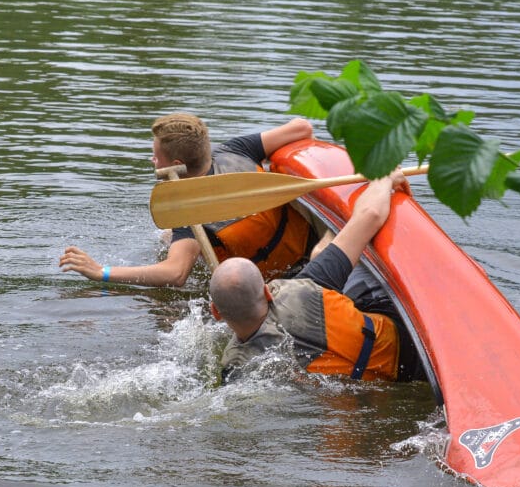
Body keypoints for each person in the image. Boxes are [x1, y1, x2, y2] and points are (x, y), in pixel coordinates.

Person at [209, 171, 427, 384]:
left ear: (216, 312)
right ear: (267, 291)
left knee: (319, 255)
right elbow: (371, 215)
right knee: (331, 258)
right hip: (409, 352)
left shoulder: (234, 370)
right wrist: (384, 179)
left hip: (369, 389)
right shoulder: (301, 291)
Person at [59, 113, 320, 287]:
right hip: (310, 248)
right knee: (166, 236)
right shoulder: (235, 149)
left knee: (168, 237)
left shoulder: (189, 213)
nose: (152, 161)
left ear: (176, 165)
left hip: (282, 281)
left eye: (155, 156)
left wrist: (100, 271)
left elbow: (175, 273)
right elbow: (302, 127)